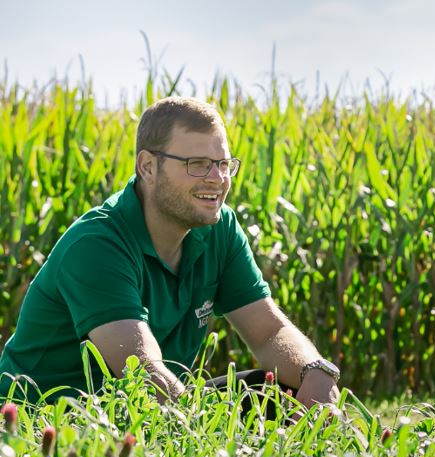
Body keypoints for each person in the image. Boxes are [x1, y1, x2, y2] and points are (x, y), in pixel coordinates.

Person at [0, 97, 341, 407]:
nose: (217, 178)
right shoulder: (96, 244)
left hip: (146, 406)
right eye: (197, 163)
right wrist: (210, 429)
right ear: (147, 166)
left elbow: (269, 332)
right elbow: (143, 374)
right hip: (46, 418)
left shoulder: (219, 231)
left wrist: (315, 371)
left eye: (223, 164)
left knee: (284, 390)